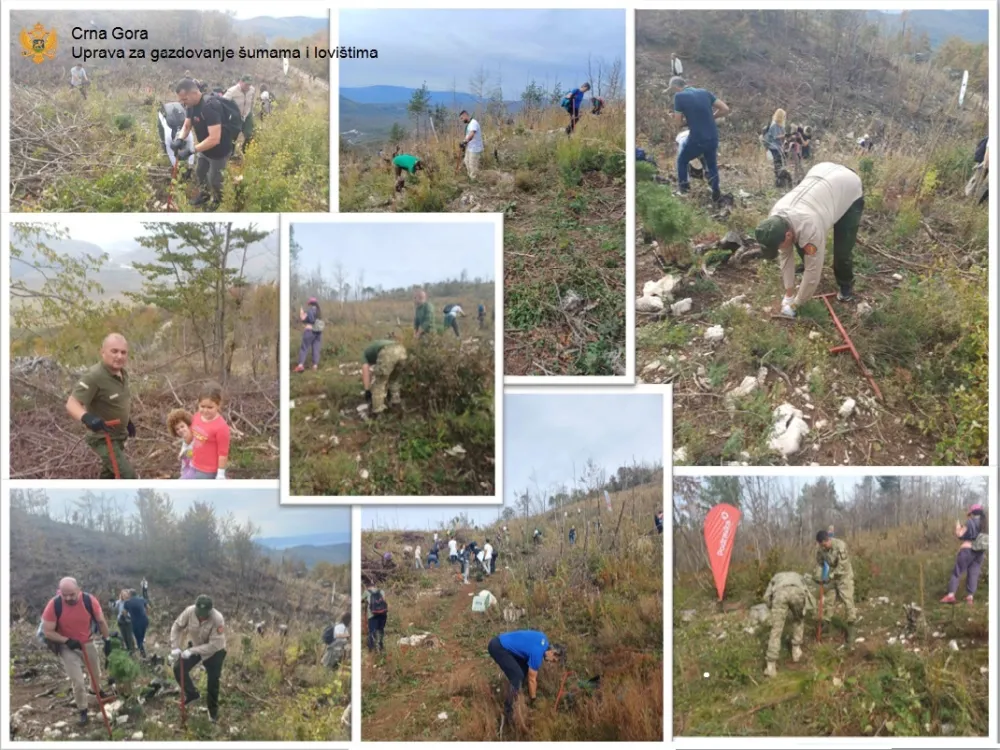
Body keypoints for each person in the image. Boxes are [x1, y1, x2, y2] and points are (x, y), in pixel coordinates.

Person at [754, 162, 864, 317]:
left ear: (787, 235)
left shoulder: (810, 228)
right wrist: (789, 293)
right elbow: (785, 256)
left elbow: (813, 272)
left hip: (848, 187)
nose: (779, 250)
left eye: (777, 246)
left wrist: (796, 304)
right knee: (803, 247)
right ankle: (803, 275)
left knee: (842, 251)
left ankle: (846, 285)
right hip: (822, 174)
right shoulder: (775, 218)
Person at [40, 577, 113, 726]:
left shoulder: (89, 600)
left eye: (71, 594)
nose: (68, 598)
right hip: (67, 645)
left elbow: (101, 621)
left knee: (96, 673)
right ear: (60, 592)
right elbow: (47, 631)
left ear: (79, 590)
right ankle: (83, 709)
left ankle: (95, 691)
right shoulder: (55, 605)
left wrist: (108, 640)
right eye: (64, 594)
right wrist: (67, 640)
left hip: (87, 642)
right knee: (78, 681)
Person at [66, 333, 137, 479]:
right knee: (128, 477)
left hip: (118, 435)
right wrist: (87, 417)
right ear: (103, 352)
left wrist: (127, 421)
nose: (119, 356)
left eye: (123, 352)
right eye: (114, 351)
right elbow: (72, 404)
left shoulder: (122, 373)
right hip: (104, 437)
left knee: (109, 475)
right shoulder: (94, 376)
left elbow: (117, 401)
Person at [174, 78, 235, 208]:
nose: (182, 102)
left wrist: (191, 150)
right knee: (200, 172)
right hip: (204, 148)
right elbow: (187, 124)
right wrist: (180, 139)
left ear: (194, 93)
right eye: (181, 100)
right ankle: (205, 195)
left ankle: (218, 200)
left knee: (215, 179)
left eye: (184, 99)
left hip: (219, 151)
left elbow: (214, 139)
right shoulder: (191, 106)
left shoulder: (210, 107)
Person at [668, 76, 729, 203]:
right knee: (712, 165)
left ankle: (684, 190)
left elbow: (677, 123)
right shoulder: (704, 92)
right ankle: (716, 192)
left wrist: (686, 121)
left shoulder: (679, 97)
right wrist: (711, 117)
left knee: (682, 160)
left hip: (697, 138)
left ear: (675, 87)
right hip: (713, 136)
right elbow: (725, 109)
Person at [170, 595, 227, 724]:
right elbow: (177, 626)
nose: (201, 617)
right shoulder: (189, 611)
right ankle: (192, 694)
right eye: (199, 614)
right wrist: (175, 647)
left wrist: (191, 651)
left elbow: (213, 645)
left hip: (215, 652)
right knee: (179, 668)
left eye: (204, 615)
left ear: (210, 611)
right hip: (196, 645)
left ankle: (213, 712)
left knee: (213, 683)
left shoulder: (217, 618)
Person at [487, 630, 565, 721]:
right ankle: (508, 711)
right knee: (517, 676)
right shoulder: (537, 653)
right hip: (498, 648)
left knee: (523, 669)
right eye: (554, 660)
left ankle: (518, 691)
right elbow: (532, 679)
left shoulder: (543, 639)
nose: (551, 662)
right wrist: (533, 700)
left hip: (501, 642)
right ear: (552, 652)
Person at [762, 571, 816, 677]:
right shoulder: (798, 576)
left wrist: (772, 608)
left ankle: (771, 666)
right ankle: (796, 651)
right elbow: (808, 592)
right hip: (797, 591)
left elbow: (766, 597)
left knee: (776, 629)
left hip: (780, 593)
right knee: (798, 620)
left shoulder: (775, 577)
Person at [814, 529, 857, 646]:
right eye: (821, 545)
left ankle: (851, 631)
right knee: (829, 601)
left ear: (826, 540)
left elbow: (842, 566)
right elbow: (819, 563)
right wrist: (818, 576)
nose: (823, 547)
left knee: (848, 602)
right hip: (833, 578)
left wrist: (830, 576)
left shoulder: (840, 546)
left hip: (844, 577)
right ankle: (826, 625)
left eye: (823, 544)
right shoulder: (822, 549)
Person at [942, 503, 988, 605]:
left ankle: (950, 595)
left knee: (957, 572)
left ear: (972, 513)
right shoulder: (985, 523)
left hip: (967, 550)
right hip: (980, 552)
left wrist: (958, 526)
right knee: (973, 574)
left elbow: (960, 535)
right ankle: (970, 598)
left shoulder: (970, 522)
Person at [190, 384, 230, 479]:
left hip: (208, 471)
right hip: (193, 464)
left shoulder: (221, 427)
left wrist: (220, 474)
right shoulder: (196, 417)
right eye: (202, 406)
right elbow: (192, 435)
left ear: (218, 405)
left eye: (210, 407)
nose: (205, 410)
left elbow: (223, 453)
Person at [361, 337, 408, 416]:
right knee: (394, 380)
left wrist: (367, 390)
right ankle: (396, 405)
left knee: (379, 383)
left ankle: (378, 412)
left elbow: (365, 370)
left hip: (388, 352)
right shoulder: (376, 347)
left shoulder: (365, 354)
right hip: (401, 350)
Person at [224, 75, 256, 155]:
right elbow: (223, 103)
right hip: (235, 117)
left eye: (249, 85)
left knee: (250, 134)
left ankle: (245, 151)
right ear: (240, 82)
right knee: (233, 137)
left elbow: (252, 101)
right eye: (246, 84)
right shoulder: (232, 91)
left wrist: (251, 111)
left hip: (247, 114)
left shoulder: (252, 90)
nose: (248, 87)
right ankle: (230, 154)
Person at [295, 297, 324, 372]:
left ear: (310, 304)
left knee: (304, 348)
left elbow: (305, 320)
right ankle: (315, 365)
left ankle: (300, 365)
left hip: (309, 331)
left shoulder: (310, 311)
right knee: (316, 348)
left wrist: (301, 314)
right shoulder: (319, 311)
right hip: (318, 332)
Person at [166, 409, 196, 479]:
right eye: (177, 429)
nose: (180, 430)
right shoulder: (184, 442)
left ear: (188, 425)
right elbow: (184, 466)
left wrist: (185, 454)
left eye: (182, 426)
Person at [762, 108, 787, 186]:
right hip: (774, 147)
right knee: (777, 164)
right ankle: (778, 181)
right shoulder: (774, 125)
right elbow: (775, 136)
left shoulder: (780, 125)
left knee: (780, 163)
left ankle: (780, 180)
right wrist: (784, 136)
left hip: (778, 147)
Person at [122, 589, 150, 658]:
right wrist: (146, 615)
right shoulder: (141, 599)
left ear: (130, 594)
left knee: (138, 639)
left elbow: (124, 613)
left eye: (128, 593)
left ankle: (143, 655)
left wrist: (127, 616)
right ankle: (142, 650)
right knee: (141, 637)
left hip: (135, 622)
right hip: (144, 621)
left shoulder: (127, 602)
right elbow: (149, 608)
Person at [459, 110, 484, 179]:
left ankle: (474, 180)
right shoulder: (469, 124)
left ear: (465, 116)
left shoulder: (473, 123)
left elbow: (471, 134)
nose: (462, 120)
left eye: (462, 118)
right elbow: (468, 135)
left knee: (472, 165)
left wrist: (464, 142)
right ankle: (470, 177)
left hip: (475, 148)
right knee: (466, 162)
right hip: (470, 148)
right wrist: (463, 142)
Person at [362, 585, 387, 652]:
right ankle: (380, 646)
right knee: (381, 630)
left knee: (372, 631)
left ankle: (371, 649)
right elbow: (384, 601)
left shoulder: (366, 592)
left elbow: (361, 600)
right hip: (383, 614)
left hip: (372, 615)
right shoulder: (382, 591)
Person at [115, 589, 136, 654]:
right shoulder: (118, 602)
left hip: (128, 620)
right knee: (124, 636)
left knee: (129, 636)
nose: (124, 595)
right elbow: (115, 610)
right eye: (123, 594)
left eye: (125, 594)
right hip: (121, 620)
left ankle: (132, 650)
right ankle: (128, 649)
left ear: (128, 595)